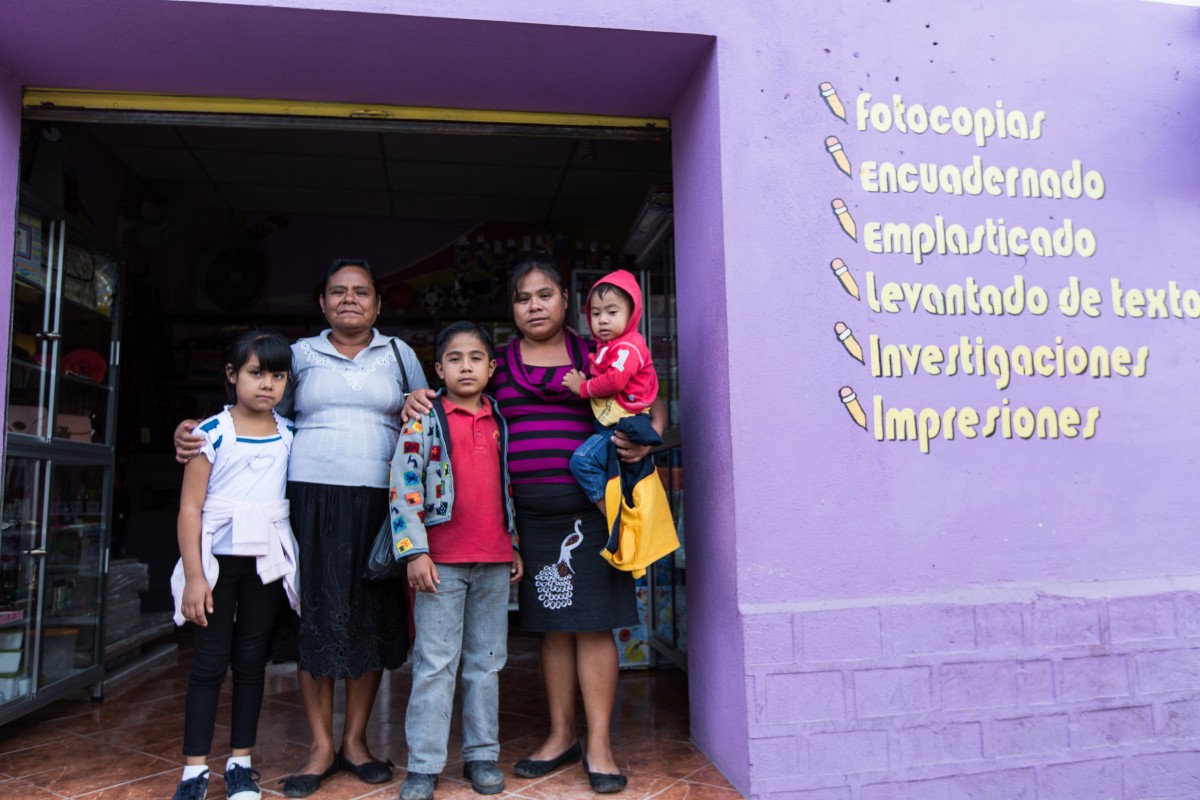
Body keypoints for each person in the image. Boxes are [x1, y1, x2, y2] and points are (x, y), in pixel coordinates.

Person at [405, 259, 665, 794]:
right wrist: (416, 398)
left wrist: (647, 438)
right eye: (523, 298)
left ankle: (599, 747)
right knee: (550, 629)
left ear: (565, 302)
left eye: (545, 295)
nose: (535, 306)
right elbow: (457, 400)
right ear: (513, 309)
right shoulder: (495, 364)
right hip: (530, 522)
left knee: (594, 624)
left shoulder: (596, 353)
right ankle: (560, 736)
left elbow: (649, 399)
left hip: (594, 513)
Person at [175, 259, 428, 798]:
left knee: (367, 619)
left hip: (380, 504)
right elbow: (258, 412)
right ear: (322, 303)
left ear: (379, 305)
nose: (350, 300)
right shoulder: (299, 356)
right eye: (338, 292)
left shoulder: (401, 356)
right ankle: (319, 747)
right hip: (308, 502)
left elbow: (426, 419)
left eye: (362, 292)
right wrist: (195, 431)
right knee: (315, 619)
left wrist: (414, 407)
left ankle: (355, 742)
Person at [388, 321, 524, 800]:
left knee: (486, 661)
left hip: (492, 560)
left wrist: (514, 544)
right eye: (454, 358)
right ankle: (424, 766)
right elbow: (404, 486)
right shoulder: (424, 419)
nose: (465, 366)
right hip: (440, 563)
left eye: (475, 358)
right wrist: (415, 551)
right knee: (434, 662)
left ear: (491, 368)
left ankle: (482, 755)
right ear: (438, 368)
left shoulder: (499, 419)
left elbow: (506, 489)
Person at [170, 330, 301, 800]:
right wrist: (195, 576)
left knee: (250, 661)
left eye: (277, 375)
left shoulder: (290, 435)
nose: (267, 384)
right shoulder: (210, 435)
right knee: (208, 663)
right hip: (217, 563)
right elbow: (190, 509)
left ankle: (241, 763)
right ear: (232, 375)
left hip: (265, 563)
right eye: (255, 373)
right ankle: (194, 771)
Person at [561, 268, 661, 514]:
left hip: (623, 426)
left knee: (583, 462)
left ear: (632, 314)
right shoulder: (610, 347)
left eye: (612, 312)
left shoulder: (628, 347)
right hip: (614, 423)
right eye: (595, 313)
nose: (602, 320)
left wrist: (582, 387)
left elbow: (614, 380)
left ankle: (614, 516)